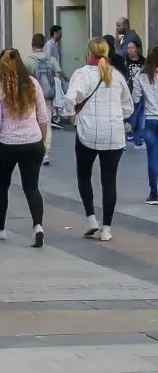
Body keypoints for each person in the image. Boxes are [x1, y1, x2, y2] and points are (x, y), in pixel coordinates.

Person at [65, 37, 133, 241]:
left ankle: (91, 219)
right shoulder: (116, 75)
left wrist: (71, 114)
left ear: (89, 53)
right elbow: (128, 106)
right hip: (113, 135)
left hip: (88, 133)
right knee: (109, 181)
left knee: (84, 175)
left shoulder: (82, 74)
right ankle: (107, 229)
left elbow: (70, 99)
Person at [0, 49, 49, 248]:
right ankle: (37, 226)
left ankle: (0, 228)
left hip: (7, 144)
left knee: (1, 185)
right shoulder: (32, 84)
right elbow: (43, 117)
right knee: (32, 187)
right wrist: (43, 141)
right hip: (32, 142)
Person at [26, 34, 65, 164]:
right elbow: (58, 75)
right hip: (47, 97)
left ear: (32, 44)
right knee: (46, 123)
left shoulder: (28, 60)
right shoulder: (51, 59)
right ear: (43, 45)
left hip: (32, 97)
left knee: (32, 123)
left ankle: (34, 150)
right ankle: (45, 153)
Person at [132, 45, 158, 204]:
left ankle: (154, 193)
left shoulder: (141, 76)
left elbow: (135, 99)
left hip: (150, 120)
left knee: (153, 157)